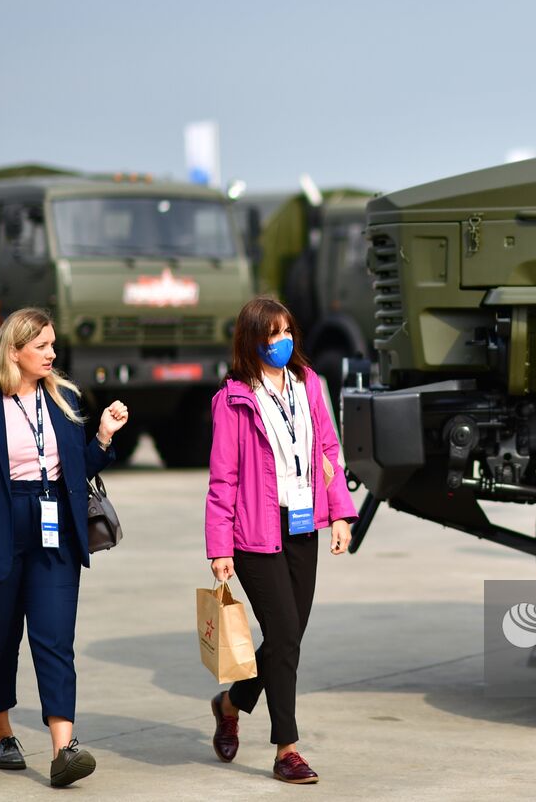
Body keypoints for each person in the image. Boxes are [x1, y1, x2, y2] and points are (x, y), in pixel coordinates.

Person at [0, 307, 129, 787]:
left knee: (55, 637)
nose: (52, 353)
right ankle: (2, 731)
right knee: (0, 641)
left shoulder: (63, 399)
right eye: (42, 345)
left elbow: (77, 469)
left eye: (52, 345)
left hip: (55, 527)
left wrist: (102, 436)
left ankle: (64, 747)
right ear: (14, 349)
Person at [206, 296, 357, 785]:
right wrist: (219, 546)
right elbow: (223, 478)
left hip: (302, 526)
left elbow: (329, 449)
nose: (281, 341)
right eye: (271, 334)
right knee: (286, 633)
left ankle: (231, 703)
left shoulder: (309, 384)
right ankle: (286, 749)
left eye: (286, 330)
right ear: (252, 341)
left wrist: (339, 514)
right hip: (254, 532)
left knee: (286, 638)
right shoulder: (233, 398)